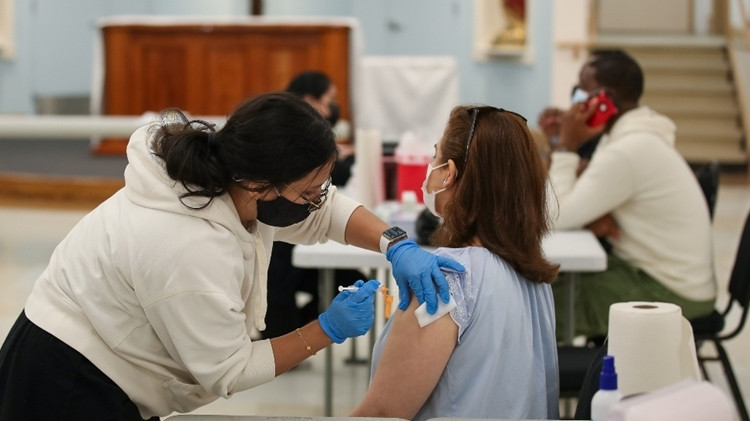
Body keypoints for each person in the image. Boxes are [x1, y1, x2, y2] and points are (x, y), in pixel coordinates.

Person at [0, 92, 463, 420]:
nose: (317, 201)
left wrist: (395, 243)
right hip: (67, 379)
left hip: (101, 364)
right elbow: (229, 370)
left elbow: (327, 213)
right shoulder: (187, 245)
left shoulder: (234, 181)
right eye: (308, 191)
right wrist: (327, 329)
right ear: (260, 185)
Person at [350, 105, 560, 420]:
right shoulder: (534, 279)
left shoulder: (443, 279)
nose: (429, 167)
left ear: (448, 172)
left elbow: (382, 413)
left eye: (435, 156)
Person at [547, 49, 716, 339]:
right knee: (544, 288)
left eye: (582, 90)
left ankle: (564, 369)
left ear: (605, 100)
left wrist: (567, 145)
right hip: (659, 276)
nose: (575, 101)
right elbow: (572, 204)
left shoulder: (628, 150)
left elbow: (555, 215)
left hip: (668, 291)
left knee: (539, 307)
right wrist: (589, 211)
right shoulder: (630, 138)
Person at [261, 71, 365, 340]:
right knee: (279, 331)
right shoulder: (294, 136)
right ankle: (296, 330)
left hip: (286, 243)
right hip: (280, 247)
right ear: (311, 100)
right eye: (331, 99)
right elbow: (334, 177)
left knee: (351, 284)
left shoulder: (300, 132)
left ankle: (297, 329)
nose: (334, 107)